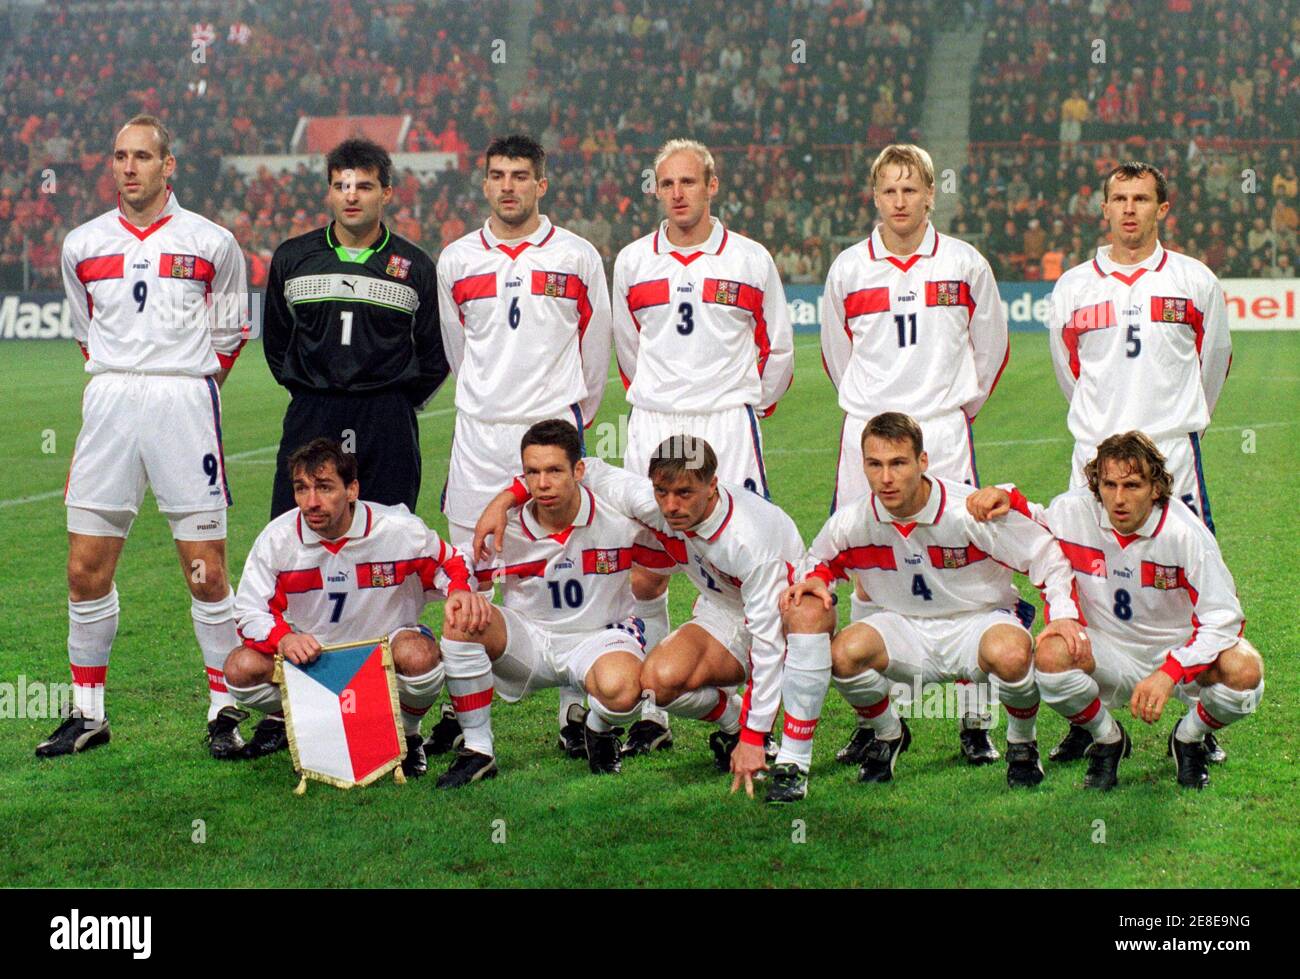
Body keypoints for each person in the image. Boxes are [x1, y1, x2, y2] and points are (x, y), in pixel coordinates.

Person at [39, 115, 251, 759]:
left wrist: (188, 385)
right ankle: (88, 713)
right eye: (119, 157)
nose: (129, 167)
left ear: (169, 165)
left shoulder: (212, 242)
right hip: (109, 403)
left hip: (183, 401)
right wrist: (121, 380)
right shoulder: (80, 243)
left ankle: (223, 710)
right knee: (84, 568)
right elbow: (85, 331)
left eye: (142, 156)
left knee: (206, 571)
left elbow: (232, 330)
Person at [773, 413, 1082, 801]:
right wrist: (817, 579)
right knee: (842, 656)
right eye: (875, 464)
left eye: (898, 463)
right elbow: (820, 561)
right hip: (906, 629)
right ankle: (889, 734)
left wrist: (1064, 615)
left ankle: (1022, 743)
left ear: (922, 462)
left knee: (1010, 653)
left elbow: (1046, 555)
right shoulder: (853, 520)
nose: (886, 478)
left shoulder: (966, 511)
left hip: (978, 623)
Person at [476, 435, 805, 799]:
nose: (671, 505)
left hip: (786, 614)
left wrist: (755, 738)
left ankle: (834, 745)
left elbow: (768, 646)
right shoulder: (651, 502)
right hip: (722, 609)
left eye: (684, 493)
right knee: (656, 682)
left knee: (806, 633)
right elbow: (585, 470)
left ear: (713, 486)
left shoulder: (749, 540)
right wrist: (503, 500)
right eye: (662, 492)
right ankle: (731, 723)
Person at [820, 143, 1009, 764]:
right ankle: (881, 718)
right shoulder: (849, 269)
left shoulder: (965, 263)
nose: (900, 201)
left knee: (968, 560)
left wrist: (946, 413)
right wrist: (878, 421)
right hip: (867, 436)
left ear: (932, 194)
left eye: (911, 189)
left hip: (942, 432)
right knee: (867, 563)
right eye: (888, 190)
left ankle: (976, 718)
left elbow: (991, 350)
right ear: (874, 197)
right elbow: (835, 354)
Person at [611, 138, 794, 755]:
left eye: (690, 182)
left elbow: (779, 353)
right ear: (656, 191)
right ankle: (655, 718)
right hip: (655, 420)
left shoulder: (749, 258)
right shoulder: (633, 262)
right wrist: (663, 400)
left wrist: (742, 406)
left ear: (712, 185)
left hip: (725, 421)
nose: (679, 194)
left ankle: (764, 718)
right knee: (645, 571)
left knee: (744, 570)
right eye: (667, 184)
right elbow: (627, 350)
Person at [1047, 160, 1232, 762]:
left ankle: (1196, 717)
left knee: (1185, 584)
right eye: (1119, 199)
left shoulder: (1195, 280)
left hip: (1173, 454)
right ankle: (1089, 714)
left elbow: (1212, 365)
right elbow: (1069, 372)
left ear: (1163, 209)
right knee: (1087, 581)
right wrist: (1108, 442)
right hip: (1094, 460)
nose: (1130, 210)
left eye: (1142, 199)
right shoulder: (1074, 285)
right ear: (1104, 209)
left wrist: (1169, 424)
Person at [435, 133, 613, 757]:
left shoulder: (578, 256)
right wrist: (490, 402)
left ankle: (573, 707)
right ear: (484, 184)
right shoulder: (455, 260)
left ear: (542, 184)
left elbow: (597, 355)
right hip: (479, 438)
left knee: (567, 568)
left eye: (520, 175)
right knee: (470, 572)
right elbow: (459, 352)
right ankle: (467, 716)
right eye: (496, 175)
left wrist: (564, 423)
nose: (507, 185)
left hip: (550, 433)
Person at [965, 433, 1263, 789]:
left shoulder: (1186, 534)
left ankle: (1189, 739)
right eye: (1109, 484)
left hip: (1176, 652)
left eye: (1133, 485)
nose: (1118, 499)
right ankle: (1107, 739)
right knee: (1050, 653)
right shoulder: (1076, 511)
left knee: (1245, 673)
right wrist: (1006, 495)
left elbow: (1224, 619)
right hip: (1108, 649)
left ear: (1156, 488)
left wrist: (1170, 671)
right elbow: (1036, 520)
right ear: (1097, 485)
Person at [220, 439, 489, 776]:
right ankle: (321, 721)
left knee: (420, 655)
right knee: (240, 669)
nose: (311, 502)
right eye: (301, 489)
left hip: (385, 654)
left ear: (352, 489)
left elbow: (452, 563)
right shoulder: (277, 539)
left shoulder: (396, 529)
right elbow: (247, 611)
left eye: (324, 488)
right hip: (315, 661)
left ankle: (407, 735)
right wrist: (284, 638)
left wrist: (460, 591)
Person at [433, 420, 673, 787]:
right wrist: (462, 590)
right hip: (530, 643)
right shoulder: (506, 527)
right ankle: (479, 750)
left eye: (554, 471)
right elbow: (456, 561)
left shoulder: (620, 521)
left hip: (599, 640)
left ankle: (597, 728)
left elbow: (671, 552)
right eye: (532, 472)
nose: (542, 484)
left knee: (623, 690)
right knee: (462, 618)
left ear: (579, 470)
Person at [263, 137, 448, 519]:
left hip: (386, 418)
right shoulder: (293, 258)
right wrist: (309, 388)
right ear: (329, 193)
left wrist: (395, 399)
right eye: (341, 186)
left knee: (390, 532)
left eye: (364, 186)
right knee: (297, 529)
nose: (352, 197)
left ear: (386, 193)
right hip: (312, 412)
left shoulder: (415, 266)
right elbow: (277, 341)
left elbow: (436, 350)